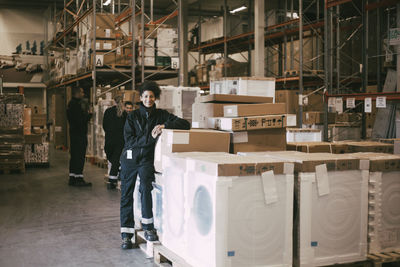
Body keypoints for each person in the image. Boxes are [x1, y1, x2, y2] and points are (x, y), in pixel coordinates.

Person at [119, 81, 190, 249]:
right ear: (141, 98)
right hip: (130, 159)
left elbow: (185, 124)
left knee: (145, 190)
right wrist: (151, 137)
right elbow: (130, 141)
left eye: (151, 96)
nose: (148, 99)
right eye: (145, 96)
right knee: (126, 195)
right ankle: (126, 235)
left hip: (146, 160)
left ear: (155, 97)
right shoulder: (132, 116)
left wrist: (165, 125)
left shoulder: (161, 115)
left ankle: (148, 227)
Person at [102, 97, 134, 190]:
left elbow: (104, 125)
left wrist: (109, 133)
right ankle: (114, 178)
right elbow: (127, 127)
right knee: (116, 159)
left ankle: (113, 179)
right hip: (120, 140)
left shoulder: (108, 111)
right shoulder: (124, 114)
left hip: (109, 139)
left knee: (112, 158)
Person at [66, 86, 92, 187]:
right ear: (77, 93)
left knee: (74, 156)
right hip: (79, 134)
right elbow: (80, 121)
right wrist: (89, 115)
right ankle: (79, 178)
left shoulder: (70, 104)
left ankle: (72, 177)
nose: (83, 94)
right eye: (82, 92)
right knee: (80, 156)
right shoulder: (75, 105)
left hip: (73, 134)